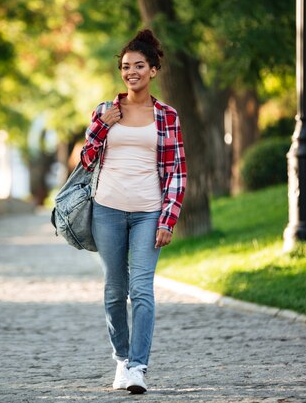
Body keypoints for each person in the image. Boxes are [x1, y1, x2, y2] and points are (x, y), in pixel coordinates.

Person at [80, 29, 187, 394]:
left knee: (141, 290)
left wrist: (167, 219)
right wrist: (102, 125)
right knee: (114, 291)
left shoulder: (167, 116)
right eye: (126, 66)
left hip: (148, 213)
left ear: (153, 70)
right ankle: (122, 361)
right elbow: (86, 158)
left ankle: (139, 367)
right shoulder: (104, 111)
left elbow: (177, 172)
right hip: (107, 210)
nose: (131, 72)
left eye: (139, 65)